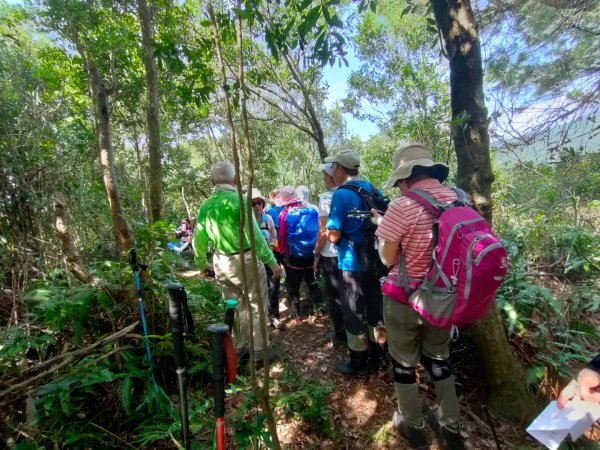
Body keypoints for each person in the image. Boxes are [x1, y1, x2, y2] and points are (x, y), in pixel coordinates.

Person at [375, 143, 464, 449]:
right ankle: (451, 423)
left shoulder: (403, 206)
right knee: (439, 358)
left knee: (403, 362)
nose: (399, 187)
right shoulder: (459, 199)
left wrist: (386, 232)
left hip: (405, 299)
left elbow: (387, 259)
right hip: (445, 297)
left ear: (407, 177)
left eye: (399, 181)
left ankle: (412, 423)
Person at [193, 162, 281, 361]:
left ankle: (240, 347)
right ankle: (260, 351)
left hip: (222, 262)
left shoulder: (206, 206)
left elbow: (198, 238)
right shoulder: (240, 200)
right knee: (256, 305)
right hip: (246, 259)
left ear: (211, 181)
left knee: (236, 305)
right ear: (234, 180)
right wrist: (272, 263)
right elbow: (256, 237)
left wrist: (201, 263)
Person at [325, 150, 385, 376]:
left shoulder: (340, 195)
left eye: (334, 169)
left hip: (351, 263)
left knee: (354, 313)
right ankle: (379, 355)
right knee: (374, 311)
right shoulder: (371, 187)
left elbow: (333, 234)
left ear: (340, 169)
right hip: (376, 260)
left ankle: (359, 363)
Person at [277, 186, 321, 323]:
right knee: (312, 282)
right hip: (310, 253)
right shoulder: (309, 210)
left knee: (293, 285)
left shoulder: (284, 214)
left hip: (294, 255)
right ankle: (319, 309)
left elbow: (282, 235)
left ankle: (297, 316)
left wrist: (283, 252)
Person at [314, 163, 344, 345]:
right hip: (350, 252)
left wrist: (316, 252)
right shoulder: (352, 191)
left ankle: (341, 334)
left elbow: (323, 231)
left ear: (329, 176)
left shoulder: (326, 198)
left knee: (335, 296)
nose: (323, 178)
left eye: (324, 175)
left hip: (331, 254)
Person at [251, 188, 284, 330]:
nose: (258, 206)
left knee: (273, 287)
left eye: (260, 203)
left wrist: (270, 247)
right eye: (254, 203)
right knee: (257, 288)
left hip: (269, 257)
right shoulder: (246, 222)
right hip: (252, 260)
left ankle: (274, 316)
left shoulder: (268, 218)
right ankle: (260, 318)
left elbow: (273, 234)